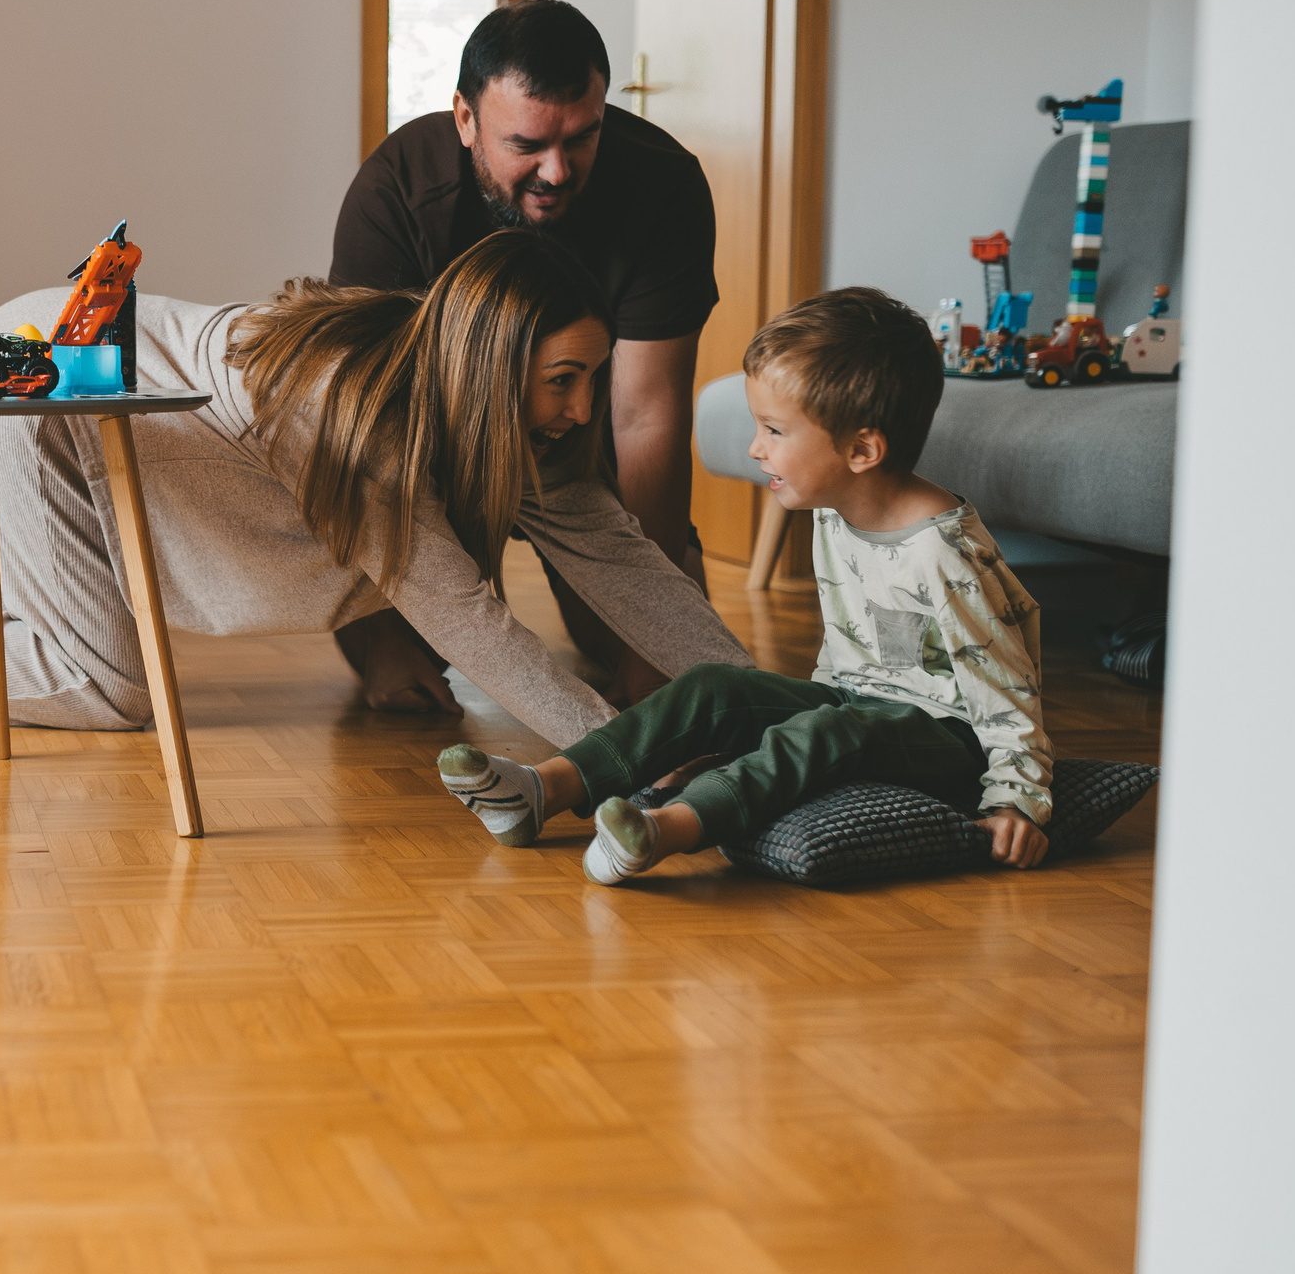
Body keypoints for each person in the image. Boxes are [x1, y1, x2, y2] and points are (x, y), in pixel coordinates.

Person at [0, 232, 751, 745]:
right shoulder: (356, 418)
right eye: (561, 381)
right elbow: (472, 623)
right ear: (487, 368)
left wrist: (767, 706)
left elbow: (628, 566)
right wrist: (628, 755)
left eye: (589, 380)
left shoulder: (513, 432)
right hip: (52, 390)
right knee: (101, 686)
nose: (580, 409)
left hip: (93, 393)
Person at [438, 289, 1053, 883]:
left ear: (862, 449)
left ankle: (664, 830)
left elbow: (1010, 691)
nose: (756, 448)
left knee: (827, 730)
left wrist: (1016, 801)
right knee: (713, 686)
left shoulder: (944, 553)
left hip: (944, 736)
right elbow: (847, 646)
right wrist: (783, 713)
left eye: (775, 431)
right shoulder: (836, 512)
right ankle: (545, 788)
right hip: (854, 706)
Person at [331, 0, 718, 713]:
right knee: (410, 665)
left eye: (582, 138)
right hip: (433, 461)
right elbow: (364, 422)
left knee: (678, 652)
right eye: (527, 144)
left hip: (590, 456)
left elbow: (646, 416)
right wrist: (383, 632)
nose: (557, 171)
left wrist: (650, 638)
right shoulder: (397, 189)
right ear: (466, 118)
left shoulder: (664, 185)